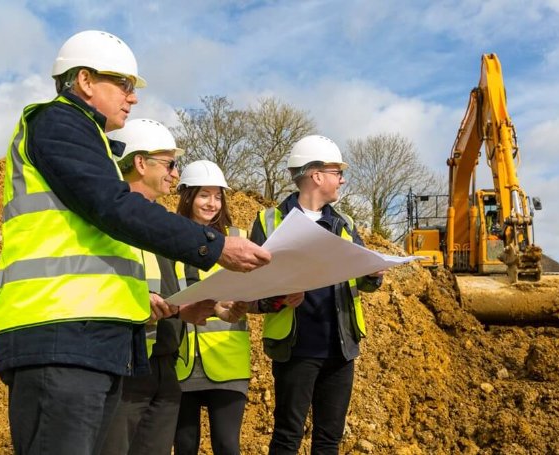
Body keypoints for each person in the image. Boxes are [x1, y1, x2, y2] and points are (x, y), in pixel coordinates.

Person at [0, 30, 270, 454]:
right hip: (58, 336)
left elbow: (98, 261)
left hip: (90, 340)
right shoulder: (57, 122)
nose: (132, 97)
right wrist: (215, 247)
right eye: (123, 84)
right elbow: (114, 206)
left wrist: (170, 309)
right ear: (85, 80)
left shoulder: (91, 141)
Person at [249, 135, 383, 454]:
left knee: (329, 439)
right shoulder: (269, 222)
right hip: (296, 348)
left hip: (340, 347)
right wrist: (280, 299)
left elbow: (361, 282)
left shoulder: (344, 223)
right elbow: (251, 290)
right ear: (317, 175)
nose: (342, 180)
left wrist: (372, 274)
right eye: (337, 172)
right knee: (287, 436)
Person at [99, 119, 215, 454]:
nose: (176, 174)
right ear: (139, 163)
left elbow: (175, 284)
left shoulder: (163, 225)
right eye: (169, 164)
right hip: (124, 365)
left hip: (165, 365)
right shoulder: (106, 220)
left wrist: (192, 308)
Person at [171, 160, 257, 455]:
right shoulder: (168, 240)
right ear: (187, 196)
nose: (212, 203)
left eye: (218, 195)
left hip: (227, 359)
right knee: (184, 445)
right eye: (204, 195)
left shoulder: (239, 242)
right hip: (182, 362)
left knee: (226, 445)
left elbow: (259, 292)